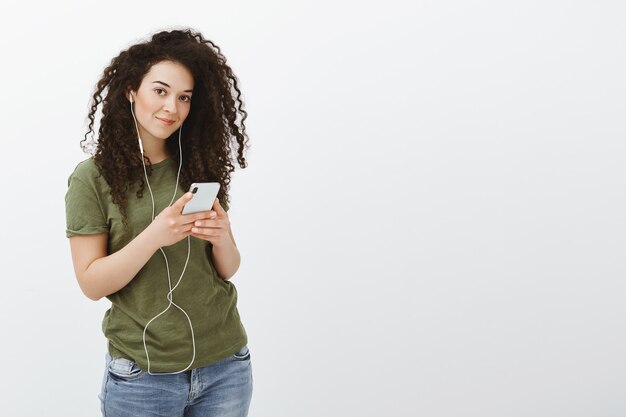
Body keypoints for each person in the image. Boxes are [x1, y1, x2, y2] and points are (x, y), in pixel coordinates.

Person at [64, 28, 253, 417]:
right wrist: (153, 237)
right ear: (132, 91)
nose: (172, 107)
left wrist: (223, 239)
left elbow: (227, 270)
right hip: (142, 378)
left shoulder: (199, 165)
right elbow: (91, 283)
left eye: (185, 97)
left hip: (225, 366)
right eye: (161, 91)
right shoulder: (92, 179)